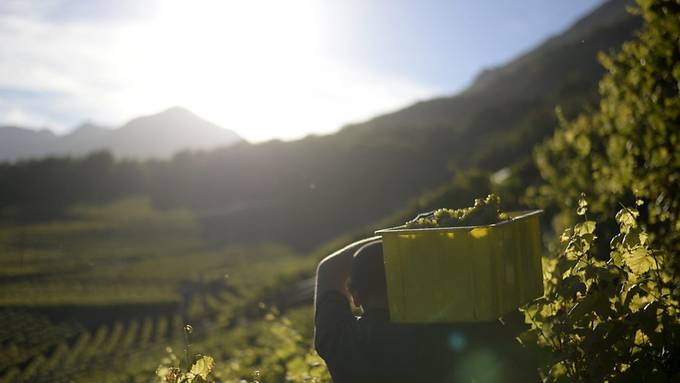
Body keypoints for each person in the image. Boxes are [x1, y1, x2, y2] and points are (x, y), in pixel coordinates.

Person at [314, 237, 539, 383]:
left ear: (355, 296)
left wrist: (394, 237)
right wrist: (411, 237)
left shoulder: (338, 342)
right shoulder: (455, 327)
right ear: (412, 283)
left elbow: (328, 269)